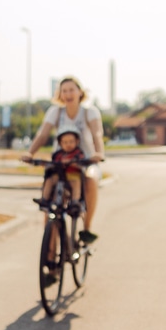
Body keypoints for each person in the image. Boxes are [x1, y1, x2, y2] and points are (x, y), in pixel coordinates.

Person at [22, 76, 105, 243]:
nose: (68, 94)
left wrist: (99, 152)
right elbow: (43, 134)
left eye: (71, 90)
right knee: (50, 207)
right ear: (60, 94)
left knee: (90, 180)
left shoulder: (90, 111)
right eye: (64, 91)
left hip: (85, 161)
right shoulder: (55, 112)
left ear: (80, 92)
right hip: (60, 162)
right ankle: (50, 254)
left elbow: (97, 133)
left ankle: (86, 228)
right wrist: (30, 153)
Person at [42, 127, 86, 209]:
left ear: (77, 142)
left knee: (76, 183)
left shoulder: (78, 153)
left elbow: (81, 163)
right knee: (49, 180)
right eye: (65, 142)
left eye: (71, 142)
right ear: (60, 143)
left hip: (73, 175)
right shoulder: (58, 154)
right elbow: (53, 163)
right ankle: (44, 199)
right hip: (60, 175)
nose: (68, 144)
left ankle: (75, 201)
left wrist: (72, 163)